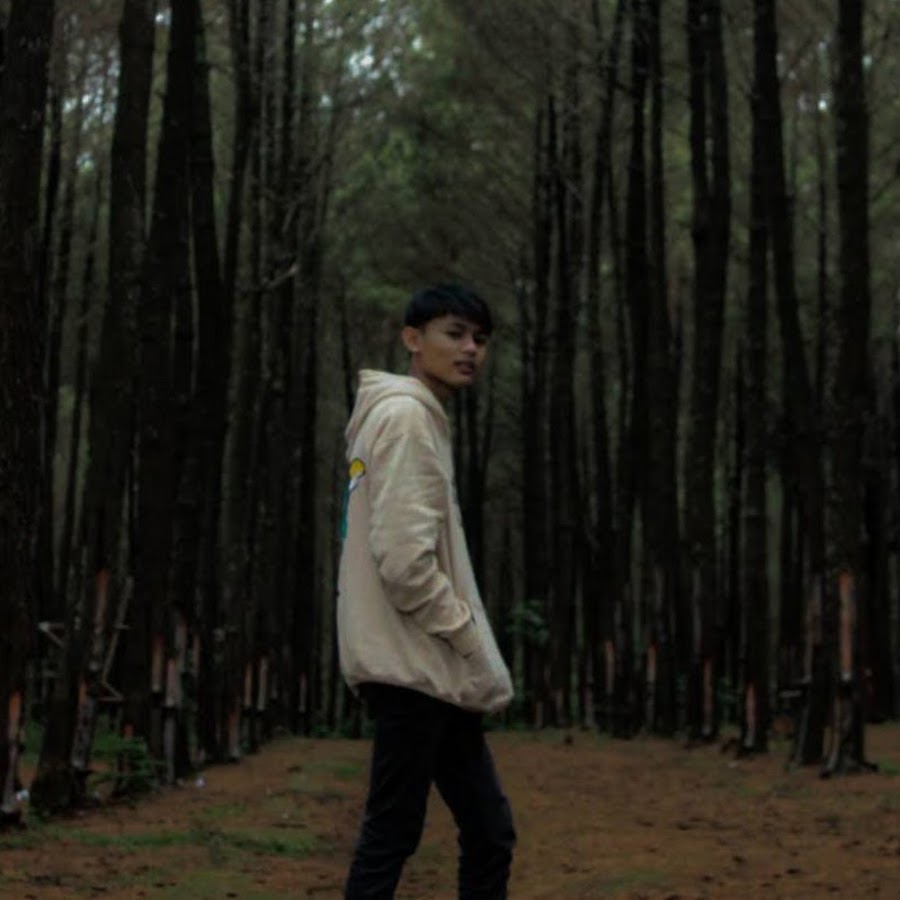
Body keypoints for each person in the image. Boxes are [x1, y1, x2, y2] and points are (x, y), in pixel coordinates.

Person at [338, 284, 516, 899]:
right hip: (413, 663)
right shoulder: (407, 418)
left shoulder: (406, 418)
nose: (470, 350)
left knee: (487, 831)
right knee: (395, 832)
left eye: (480, 339)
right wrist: (467, 634)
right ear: (412, 339)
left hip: (424, 665)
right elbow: (404, 563)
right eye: (455, 334)